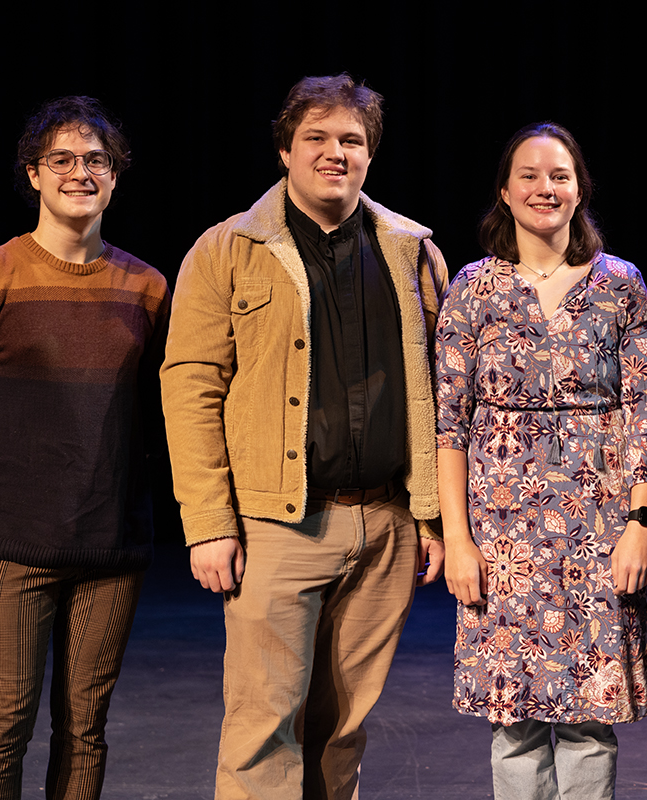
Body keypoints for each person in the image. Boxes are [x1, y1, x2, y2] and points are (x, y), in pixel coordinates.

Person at [160, 74, 448, 799]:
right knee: (263, 726)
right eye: (316, 138)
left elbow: (447, 398)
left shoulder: (413, 252)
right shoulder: (227, 248)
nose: (334, 153)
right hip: (276, 524)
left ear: (370, 155)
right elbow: (190, 389)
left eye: (351, 140)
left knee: (343, 727)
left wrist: (433, 518)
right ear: (285, 149)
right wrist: (207, 525)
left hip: (387, 523)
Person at [0, 96, 169, 799]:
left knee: (85, 727)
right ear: (33, 175)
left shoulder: (150, 288)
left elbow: (165, 417)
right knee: (3, 722)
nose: (80, 172)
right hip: (11, 549)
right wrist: (13, 501)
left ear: (115, 177)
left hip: (110, 548)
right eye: (61, 160)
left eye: (96, 160)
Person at [436, 122, 647, 799]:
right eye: (530, 175)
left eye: (559, 175)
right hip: (501, 531)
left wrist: (640, 524)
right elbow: (449, 424)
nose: (546, 187)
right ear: (505, 192)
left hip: (597, 530)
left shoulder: (619, 285)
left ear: (579, 189)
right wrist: (457, 540)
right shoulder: (474, 288)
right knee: (514, 721)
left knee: (591, 717)